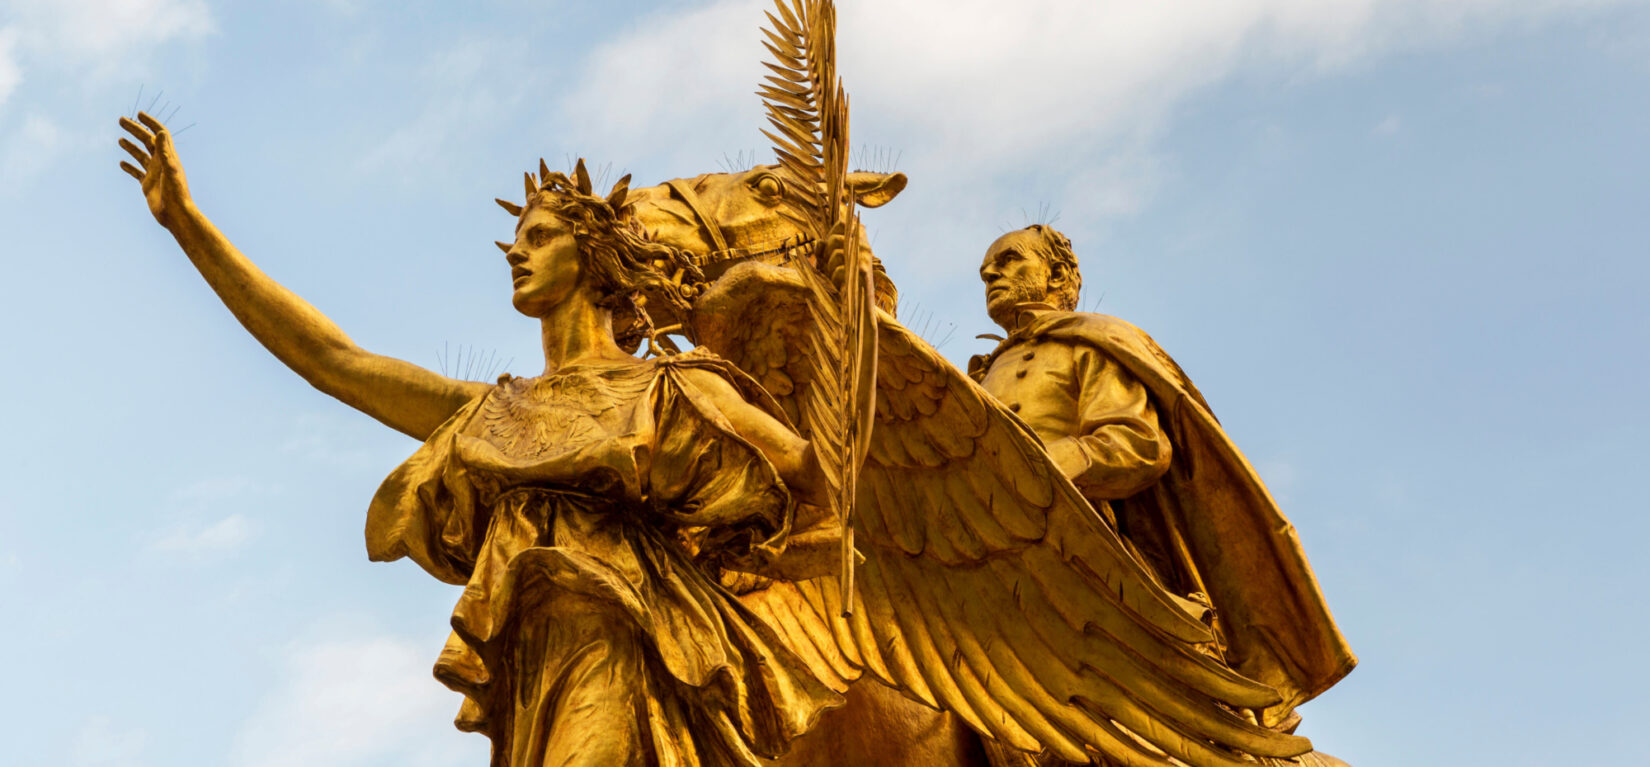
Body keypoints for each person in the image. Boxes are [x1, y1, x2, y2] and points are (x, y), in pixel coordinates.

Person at [118, 112, 844, 767]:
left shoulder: (670, 389)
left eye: (539, 236)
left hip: (624, 647)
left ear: (593, 253)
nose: (515, 252)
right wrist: (188, 226)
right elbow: (332, 361)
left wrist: (852, 337)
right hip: (532, 682)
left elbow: (819, 474)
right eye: (516, 239)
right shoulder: (495, 410)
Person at [968, 225, 1356, 738]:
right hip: (986, 553)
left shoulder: (1091, 342)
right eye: (986, 269)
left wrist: (1054, 461)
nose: (992, 273)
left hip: (1084, 553)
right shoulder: (981, 375)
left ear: (1057, 274)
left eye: (1010, 260)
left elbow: (1141, 445)